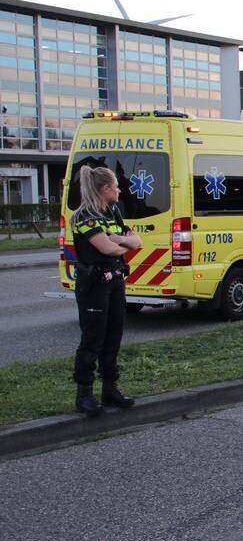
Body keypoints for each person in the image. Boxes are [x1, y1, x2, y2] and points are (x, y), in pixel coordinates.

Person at [70, 166, 142, 416]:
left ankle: (110, 389)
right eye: (116, 185)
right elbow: (107, 249)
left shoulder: (112, 212)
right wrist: (120, 243)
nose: (120, 189)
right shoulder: (85, 216)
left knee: (113, 336)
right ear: (105, 189)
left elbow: (137, 242)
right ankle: (84, 395)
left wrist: (115, 238)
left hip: (115, 282)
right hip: (94, 285)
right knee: (92, 340)